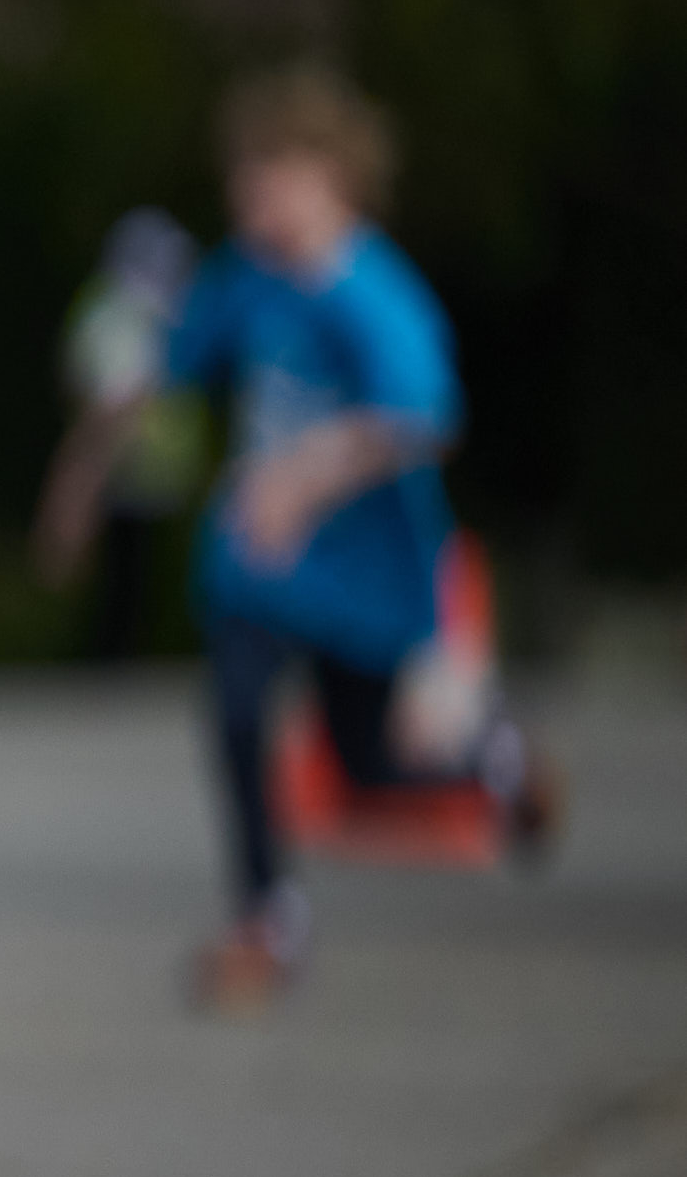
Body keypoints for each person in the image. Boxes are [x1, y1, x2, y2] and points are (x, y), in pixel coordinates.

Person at [47, 68, 555, 1007]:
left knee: (366, 765)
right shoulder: (246, 282)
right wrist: (79, 480)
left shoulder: (374, 290)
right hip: (262, 561)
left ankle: (493, 756)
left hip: (363, 569)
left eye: (267, 177)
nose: (248, 198)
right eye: (242, 178)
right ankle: (266, 918)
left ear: (330, 178)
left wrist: (305, 472)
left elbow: (425, 418)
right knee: (237, 714)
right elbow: (159, 374)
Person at [39, 210, 205, 664]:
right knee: (122, 576)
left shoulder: (128, 308)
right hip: (126, 468)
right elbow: (110, 411)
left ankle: (117, 657)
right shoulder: (125, 315)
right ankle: (112, 659)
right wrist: (74, 488)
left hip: (151, 474)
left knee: (130, 574)